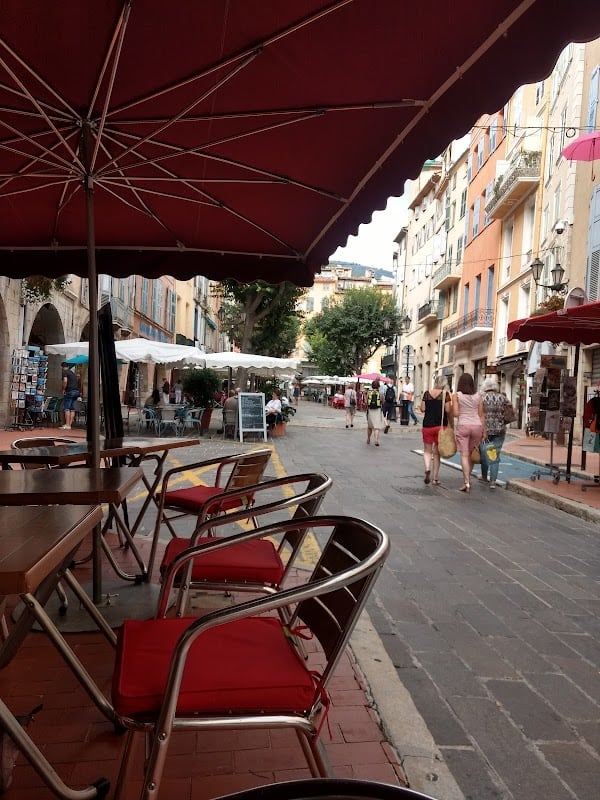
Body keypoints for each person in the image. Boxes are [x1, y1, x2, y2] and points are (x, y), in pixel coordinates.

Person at [452, 372, 486, 493]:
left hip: (463, 425)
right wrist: (484, 431)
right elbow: (481, 415)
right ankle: (467, 480)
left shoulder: (457, 395)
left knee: (464, 455)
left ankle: (466, 482)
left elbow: (456, 413)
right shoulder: (478, 396)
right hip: (477, 426)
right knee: (472, 455)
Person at [420, 376, 453, 485]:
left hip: (427, 425)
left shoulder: (426, 393)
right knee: (437, 453)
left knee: (427, 450)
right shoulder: (445, 394)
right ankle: (435, 478)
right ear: (444, 384)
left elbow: (422, 409)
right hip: (440, 427)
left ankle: (427, 468)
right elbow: (448, 410)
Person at [479, 376, 507, 489]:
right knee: (495, 454)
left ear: (485, 387)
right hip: (500, 430)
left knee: (484, 452)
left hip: (485, 430)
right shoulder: (503, 398)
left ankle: (484, 476)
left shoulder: (481, 398)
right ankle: (493, 481)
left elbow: (478, 414)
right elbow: (510, 412)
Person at [60, 362, 80, 429]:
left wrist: (63, 389)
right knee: (72, 409)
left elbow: (65, 381)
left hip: (70, 391)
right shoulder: (72, 373)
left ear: (62, 367)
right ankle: (70, 425)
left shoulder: (64, 372)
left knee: (67, 408)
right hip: (76, 391)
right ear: (68, 367)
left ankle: (67, 425)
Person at [365, 379, 384, 446]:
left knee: (370, 426)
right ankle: (376, 440)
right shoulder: (380, 393)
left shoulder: (369, 393)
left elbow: (366, 402)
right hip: (377, 410)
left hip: (370, 410)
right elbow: (383, 401)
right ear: (378, 386)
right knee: (377, 427)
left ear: (372, 386)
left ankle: (368, 438)